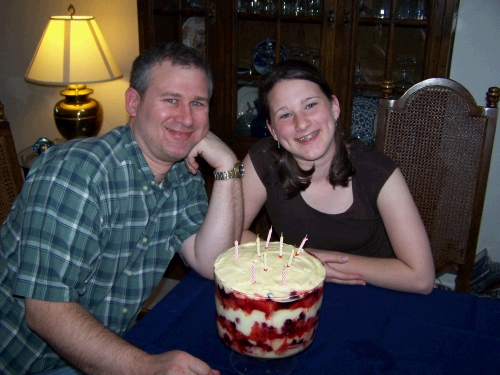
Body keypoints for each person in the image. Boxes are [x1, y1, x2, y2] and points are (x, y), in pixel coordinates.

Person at [0, 42, 243, 374]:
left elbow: (213, 262)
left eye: (197, 103)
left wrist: (228, 166)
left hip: (99, 351)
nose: (187, 118)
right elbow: (45, 311)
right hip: (21, 359)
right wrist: (145, 367)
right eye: (171, 99)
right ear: (133, 102)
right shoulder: (77, 172)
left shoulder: (182, 177)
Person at [241, 59, 435, 295]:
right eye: (285, 115)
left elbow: (421, 277)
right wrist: (297, 260)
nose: (301, 123)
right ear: (272, 131)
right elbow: (229, 236)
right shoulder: (261, 160)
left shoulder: (378, 171)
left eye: (310, 105)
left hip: (372, 297)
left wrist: (315, 264)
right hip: (296, 290)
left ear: (334, 106)